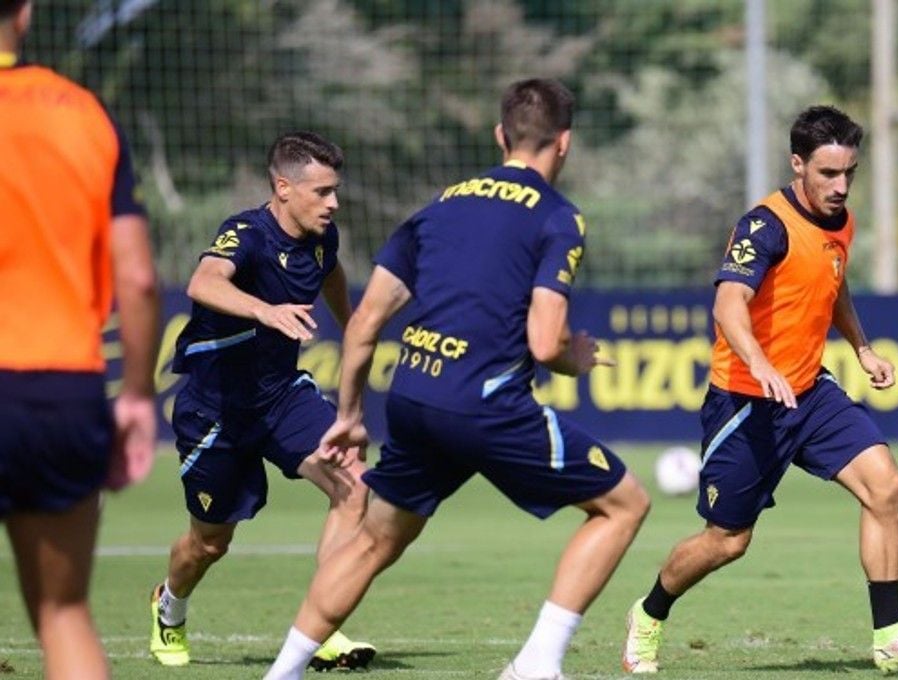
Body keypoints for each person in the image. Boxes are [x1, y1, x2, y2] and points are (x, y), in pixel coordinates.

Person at [263, 77, 651, 680]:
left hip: (414, 396)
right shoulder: (559, 217)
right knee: (624, 504)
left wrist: (349, 414)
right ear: (565, 142)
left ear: (501, 136)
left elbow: (364, 321)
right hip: (484, 403)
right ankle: (536, 665)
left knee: (372, 542)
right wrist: (574, 356)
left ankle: (279, 674)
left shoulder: (440, 205)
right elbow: (545, 344)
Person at [621, 105, 898, 675]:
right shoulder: (765, 225)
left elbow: (834, 283)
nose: (841, 186)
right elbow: (728, 303)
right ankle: (649, 613)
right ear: (797, 164)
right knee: (728, 541)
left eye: (849, 173)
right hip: (744, 402)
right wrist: (760, 364)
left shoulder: (841, 222)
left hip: (809, 392)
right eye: (828, 174)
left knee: (887, 487)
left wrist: (862, 347)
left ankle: (891, 637)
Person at [149, 131, 375, 671]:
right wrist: (264, 310)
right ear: (283, 188)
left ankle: (322, 627)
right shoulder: (245, 233)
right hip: (216, 411)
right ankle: (169, 604)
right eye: (321, 192)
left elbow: (329, 272)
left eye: (335, 190)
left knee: (354, 483)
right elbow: (204, 282)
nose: (333, 203)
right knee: (208, 545)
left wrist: (355, 325)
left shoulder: (323, 238)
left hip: (280, 397)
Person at [0, 1, 161, 678]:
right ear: (27, 12)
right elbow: (139, 276)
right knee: (63, 613)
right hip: (59, 389)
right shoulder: (84, 114)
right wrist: (136, 398)